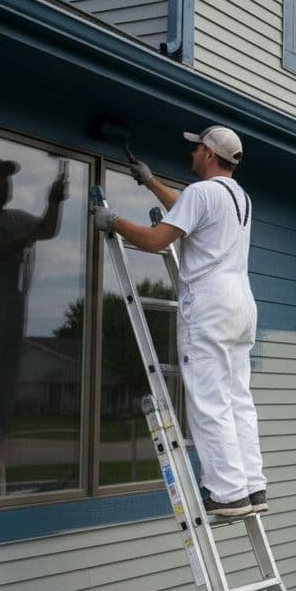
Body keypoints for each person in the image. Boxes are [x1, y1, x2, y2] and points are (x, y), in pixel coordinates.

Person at [91, 125, 264, 517]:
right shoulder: (239, 197)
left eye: (197, 148)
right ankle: (252, 487)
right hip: (241, 302)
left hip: (210, 302)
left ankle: (226, 494)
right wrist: (152, 183)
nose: (192, 154)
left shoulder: (200, 193)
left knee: (208, 399)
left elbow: (155, 241)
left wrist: (112, 220)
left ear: (209, 155)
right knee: (238, 398)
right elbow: (190, 210)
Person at [0, 157, 68, 494]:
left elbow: (47, 229)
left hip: (13, 311)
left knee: (4, 384)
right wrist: (26, 237)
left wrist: (53, 201)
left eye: (9, 180)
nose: (7, 186)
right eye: (0, 179)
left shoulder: (15, 218)